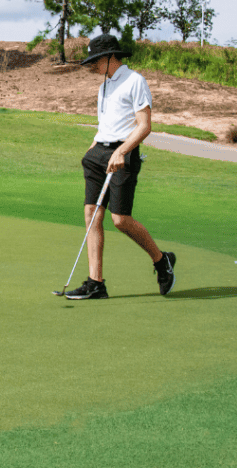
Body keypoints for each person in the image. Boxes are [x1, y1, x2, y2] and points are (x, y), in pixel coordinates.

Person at [65, 33, 176, 300]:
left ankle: (161, 261)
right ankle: (96, 283)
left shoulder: (135, 81)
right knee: (92, 214)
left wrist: (121, 151)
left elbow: (144, 126)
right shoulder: (103, 85)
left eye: (95, 60)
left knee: (121, 220)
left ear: (110, 57)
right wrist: (92, 149)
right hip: (98, 153)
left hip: (123, 154)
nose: (91, 65)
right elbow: (107, 125)